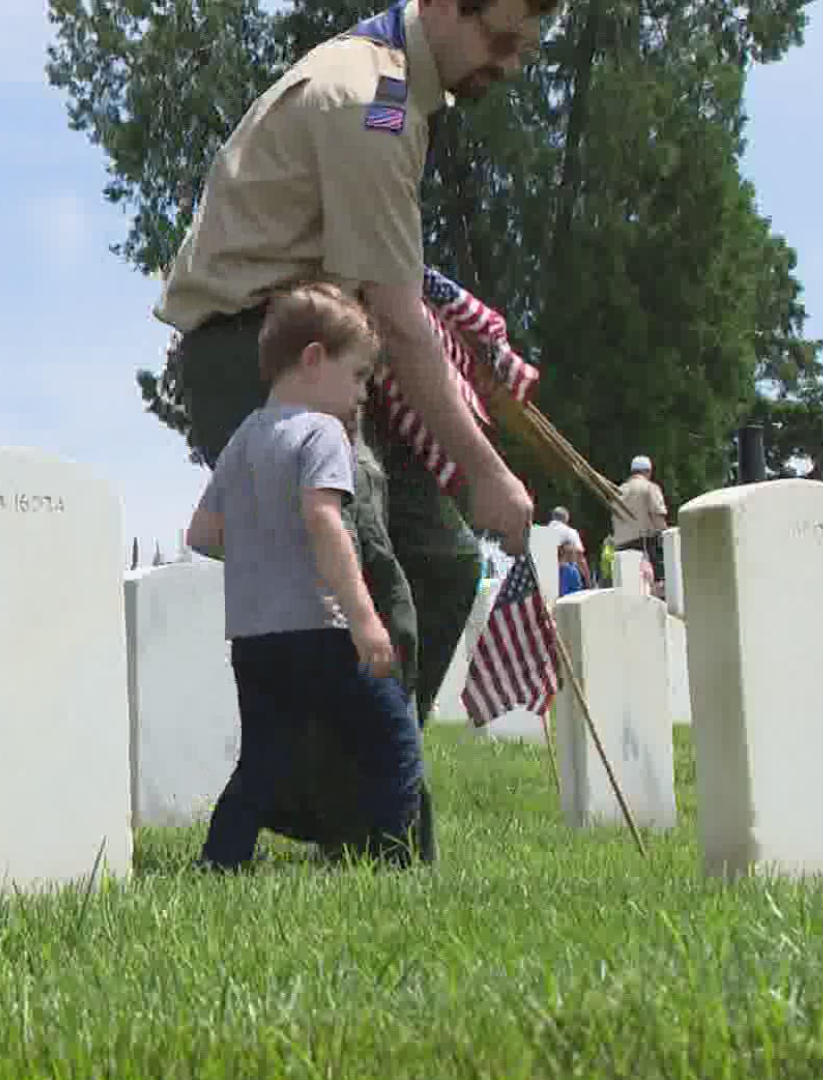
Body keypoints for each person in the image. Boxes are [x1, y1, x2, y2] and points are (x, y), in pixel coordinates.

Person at [152, 0, 557, 729]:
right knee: (361, 579)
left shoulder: (397, 92)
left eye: (524, 49)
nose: (511, 63)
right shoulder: (375, 101)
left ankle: (368, 790)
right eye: (499, 39)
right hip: (254, 353)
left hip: (320, 347)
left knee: (438, 562)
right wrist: (486, 472)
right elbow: (399, 320)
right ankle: (355, 804)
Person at [186, 282, 425, 871]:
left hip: (253, 641)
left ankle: (221, 860)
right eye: (357, 376)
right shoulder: (322, 433)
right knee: (393, 740)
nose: (361, 393)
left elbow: (202, 534)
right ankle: (390, 860)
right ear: (314, 358)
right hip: (321, 631)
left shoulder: (244, 437)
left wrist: (260, 553)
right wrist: (367, 621)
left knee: (263, 760)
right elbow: (325, 521)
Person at [612, 455, 668, 596]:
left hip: (620, 548)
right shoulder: (649, 487)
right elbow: (658, 517)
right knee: (656, 589)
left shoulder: (618, 491)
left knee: (629, 593)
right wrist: (667, 538)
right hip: (644, 545)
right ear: (648, 471)